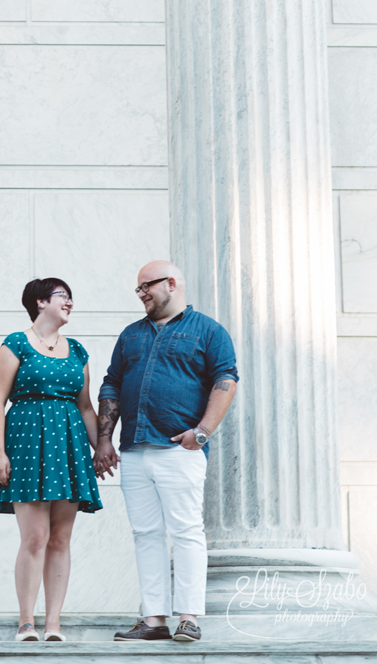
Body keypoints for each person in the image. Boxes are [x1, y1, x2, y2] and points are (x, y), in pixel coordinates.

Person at [99, 260, 238, 644]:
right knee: (145, 534)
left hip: (179, 448)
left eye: (146, 286)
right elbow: (111, 384)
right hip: (134, 450)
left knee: (187, 531)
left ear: (171, 283)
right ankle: (154, 620)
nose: (141, 294)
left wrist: (203, 432)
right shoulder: (130, 335)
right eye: (139, 289)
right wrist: (105, 439)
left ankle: (188, 618)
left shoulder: (208, 330)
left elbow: (225, 379)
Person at [0, 277, 112, 642]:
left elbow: (86, 406)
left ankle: (53, 623)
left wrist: (101, 445)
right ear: (41, 302)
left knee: (61, 538)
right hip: (26, 444)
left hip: (69, 447)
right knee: (35, 537)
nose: (70, 302)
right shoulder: (15, 345)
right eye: (63, 296)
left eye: (72, 297)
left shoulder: (77, 351)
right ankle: (27, 621)